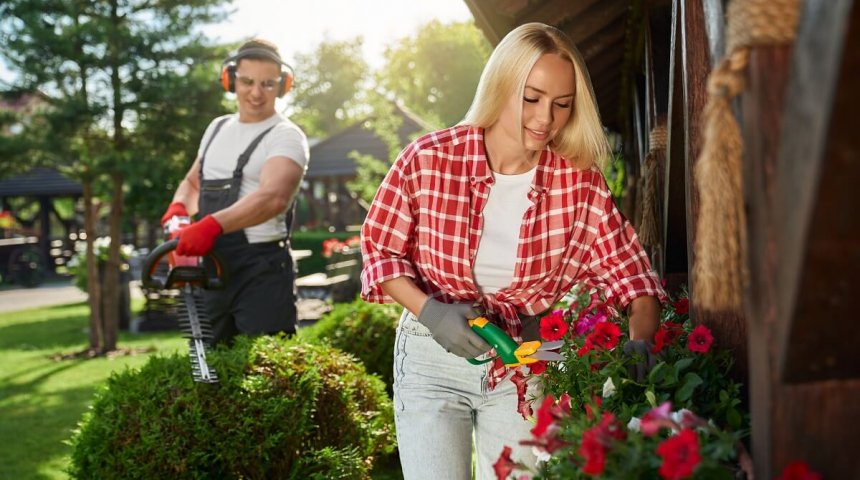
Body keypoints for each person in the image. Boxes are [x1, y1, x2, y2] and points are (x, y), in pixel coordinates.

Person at [360, 23, 665, 479]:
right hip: (431, 363)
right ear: (501, 85)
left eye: (562, 104)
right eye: (532, 98)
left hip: (525, 366)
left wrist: (642, 342)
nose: (546, 118)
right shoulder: (428, 159)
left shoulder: (578, 182)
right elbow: (380, 250)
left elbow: (633, 278)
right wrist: (430, 312)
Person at [160, 38, 309, 345]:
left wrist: (211, 225)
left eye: (268, 84)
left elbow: (273, 198)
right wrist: (178, 208)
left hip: (261, 270)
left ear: (283, 86)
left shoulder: (286, 136)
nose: (256, 93)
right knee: (211, 362)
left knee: (266, 371)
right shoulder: (217, 128)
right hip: (212, 264)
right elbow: (192, 183)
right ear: (230, 80)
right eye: (247, 81)